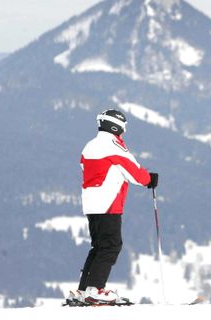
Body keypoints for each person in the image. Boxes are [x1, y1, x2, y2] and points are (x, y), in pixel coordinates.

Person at [67, 109, 158, 305]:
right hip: (108, 203)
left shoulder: (89, 146)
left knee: (98, 246)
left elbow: (86, 168)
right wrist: (150, 179)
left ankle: (84, 290)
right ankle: (95, 290)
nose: (123, 133)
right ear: (116, 127)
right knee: (111, 246)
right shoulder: (114, 147)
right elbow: (135, 173)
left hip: (91, 203)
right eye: (123, 128)